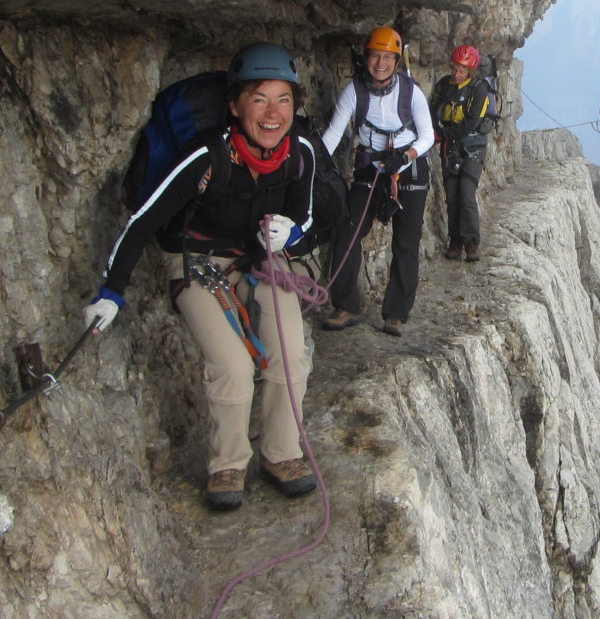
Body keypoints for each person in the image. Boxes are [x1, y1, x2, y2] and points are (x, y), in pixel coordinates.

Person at [82, 42, 323, 512]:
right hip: (194, 261)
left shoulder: (302, 153)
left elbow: (307, 215)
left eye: (284, 100)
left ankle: (281, 454)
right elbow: (144, 221)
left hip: (261, 258)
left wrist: (291, 233)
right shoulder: (206, 157)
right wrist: (112, 291)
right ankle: (227, 464)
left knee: (291, 353)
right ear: (234, 107)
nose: (273, 114)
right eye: (259, 99)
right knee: (232, 365)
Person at [318, 26, 435, 337]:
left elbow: (428, 136)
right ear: (365, 58)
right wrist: (313, 163)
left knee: (406, 243)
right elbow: (333, 133)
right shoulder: (354, 91)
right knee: (347, 231)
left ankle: (396, 313)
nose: (380, 63)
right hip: (371, 169)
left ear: (396, 61)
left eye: (387, 57)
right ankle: (346, 305)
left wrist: (406, 155)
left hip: (407, 169)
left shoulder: (410, 92)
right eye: (374, 56)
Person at [430, 45, 493, 263]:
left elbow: (470, 122)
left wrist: (442, 133)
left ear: (470, 71)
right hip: (450, 147)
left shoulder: (479, 89)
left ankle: (471, 242)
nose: (457, 75)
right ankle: (455, 240)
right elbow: (432, 109)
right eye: (455, 69)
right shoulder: (444, 86)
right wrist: (437, 132)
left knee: (466, 194)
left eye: (462, 71)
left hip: (473, 146)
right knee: (452, 196)